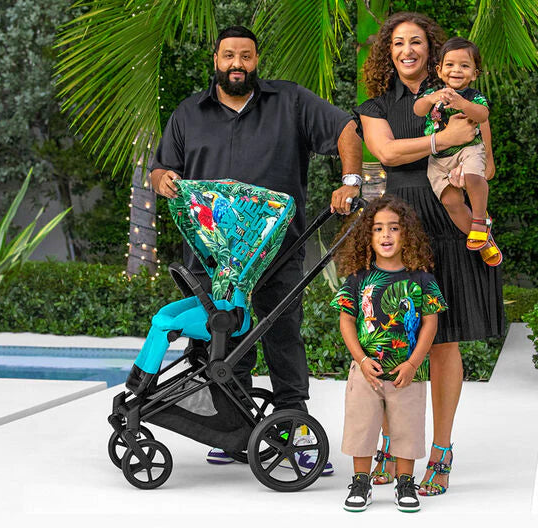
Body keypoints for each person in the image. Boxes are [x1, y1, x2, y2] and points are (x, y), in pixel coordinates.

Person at [150, 25, 362, 469]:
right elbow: (161, 168)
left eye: (245, 56)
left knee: (282, 334)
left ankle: (296, 430)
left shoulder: (290, 101)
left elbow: (346, 128)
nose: (237, 64)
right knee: (224, 339)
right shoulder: (188, 113)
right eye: (229, 55)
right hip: (211, 255)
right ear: (215, 59)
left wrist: (350, 181)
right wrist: (163, 180)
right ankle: (234, 431)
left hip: (277, 250)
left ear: (256, 60)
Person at [355, 12, 505, 496]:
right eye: (398, 42)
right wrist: (444, 139)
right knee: (389, 336)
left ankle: (441, 451)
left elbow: (487, 163)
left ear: (432, 51)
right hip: (398, 225)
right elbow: (388, 154)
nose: (407, 50)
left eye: (416, 41)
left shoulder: (464, 97)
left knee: (443, 342)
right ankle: (391, 445)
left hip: (448, 221)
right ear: (388, 51)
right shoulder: (376, 105)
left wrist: (466, 163)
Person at [331, 195, 447, 512]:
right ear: (367, 236)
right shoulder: (358, 278)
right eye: (378, 228)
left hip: (406, 372)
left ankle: (405, 482)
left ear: (406, 234)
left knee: (407, 427)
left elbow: (430, 323)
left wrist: (413, 363)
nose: (386, 235)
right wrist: (361, 360)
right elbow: (346, 321)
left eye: (394, 228)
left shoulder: (421, 279)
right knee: (362, 425)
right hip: (365, 371)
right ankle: (360, 481)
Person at [413, 37, 502, 265]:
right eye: (450, 64)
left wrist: (463, 104)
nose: (456, 70)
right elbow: (418, 109)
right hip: (438, 158)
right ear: (439, 70)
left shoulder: (473, 96)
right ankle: (484, 241)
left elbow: (482, 115)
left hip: (467, 149)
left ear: (474, 74)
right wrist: (430, 98)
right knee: (451, 201)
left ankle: (479, 221)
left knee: (473, 177)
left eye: (464, 65)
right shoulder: (434, 92)